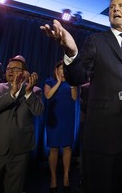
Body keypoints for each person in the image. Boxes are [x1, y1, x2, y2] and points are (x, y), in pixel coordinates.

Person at [40, 0, 122, 193]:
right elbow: (77, 76)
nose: (115, 9)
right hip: (105, 136)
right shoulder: (96, 41)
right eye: (112, 6)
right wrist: (71, 53)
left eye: (120, 6)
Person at [0, 55, 44, 193]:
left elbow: (38, 111)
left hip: (20, 150)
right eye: (8, 68)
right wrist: (11, 93)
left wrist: (29, 92)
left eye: (15, 68)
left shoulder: (34, 90)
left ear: (24, 73)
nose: (10, 71)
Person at [44, 60, 78, 193]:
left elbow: (74, 98)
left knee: (67, 147)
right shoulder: (49, 81)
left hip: (67, 119)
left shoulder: (71, 83)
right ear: (56, 70)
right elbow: (47, 96)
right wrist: (58, 82)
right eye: (61, 69)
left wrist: (72, 84)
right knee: (53, 149)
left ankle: (66, 176)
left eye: (65, 69)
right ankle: (53, 178)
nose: (63, 71)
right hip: (54, 119)